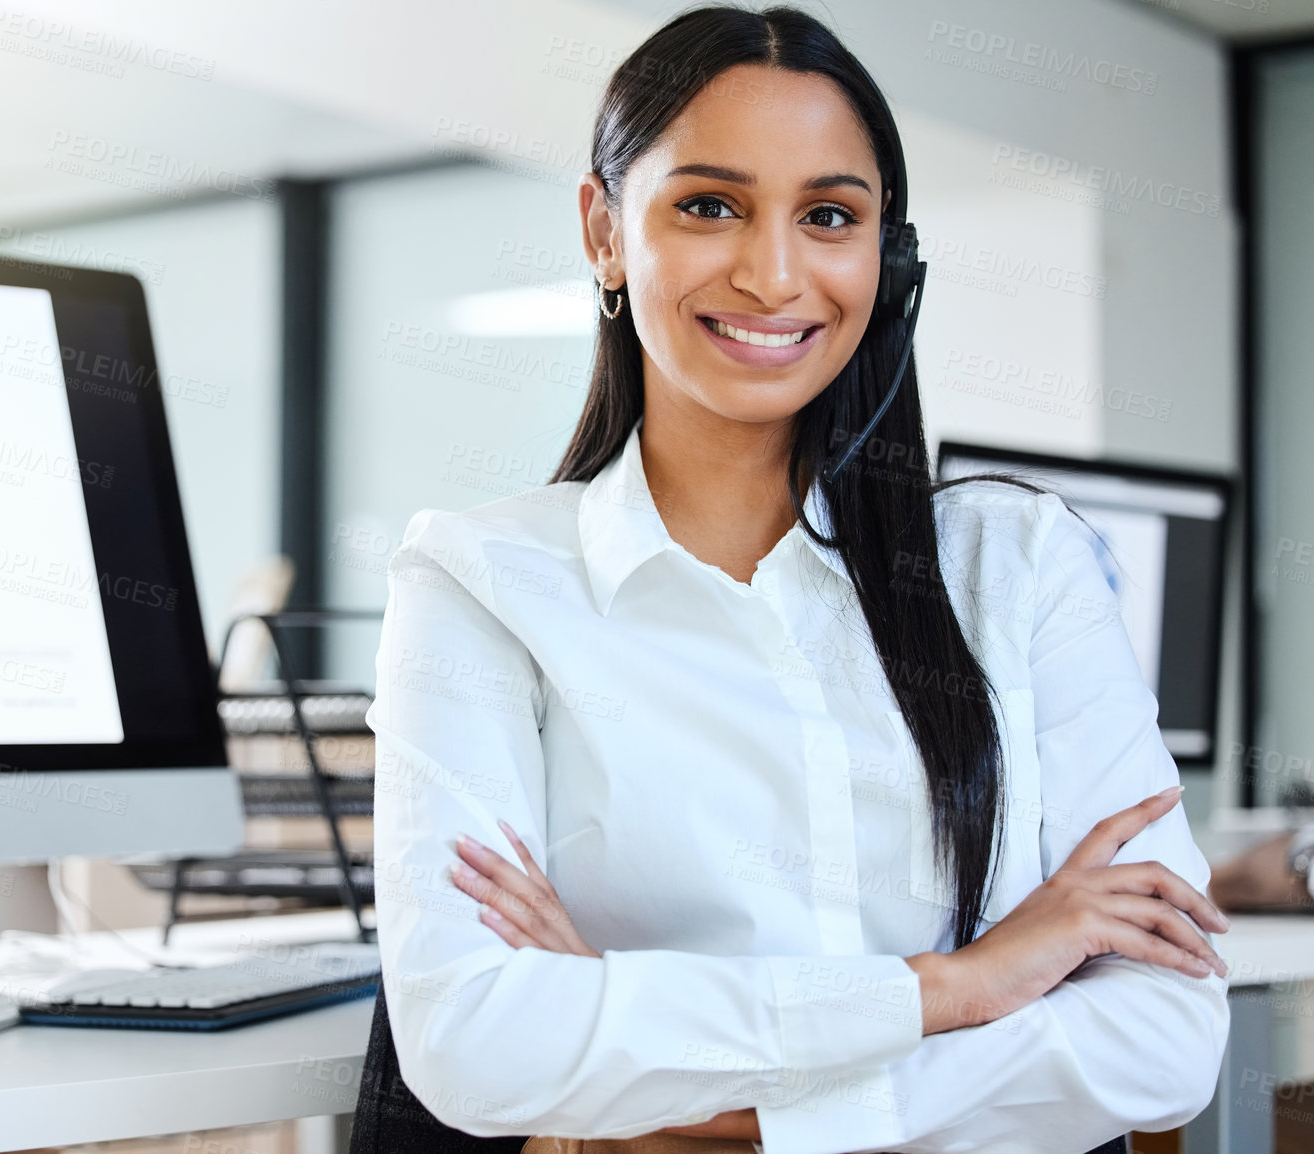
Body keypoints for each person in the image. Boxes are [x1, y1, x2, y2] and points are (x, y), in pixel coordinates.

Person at [360, 6, 1231, 1152]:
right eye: (710, 205)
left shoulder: (1019, 567)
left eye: (829, 216)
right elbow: (476, 1044)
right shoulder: (482, 584)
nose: (774, 274)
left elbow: (1163, 1039)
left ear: (887, 255)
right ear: (605, 230)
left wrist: (688, 1099)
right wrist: (955, 987)